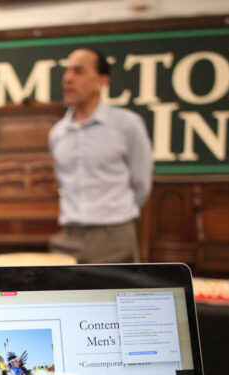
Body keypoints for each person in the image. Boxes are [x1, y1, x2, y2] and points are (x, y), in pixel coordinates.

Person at [48, 47, 153, 263]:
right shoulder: (57, 133)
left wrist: (113, 215)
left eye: (78, 71)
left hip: (113, 236)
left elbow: (141, 184)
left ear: (102, 81)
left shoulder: (128, 125)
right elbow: (63, 184)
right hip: (69, 236)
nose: (68, 78)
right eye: (66, 71)